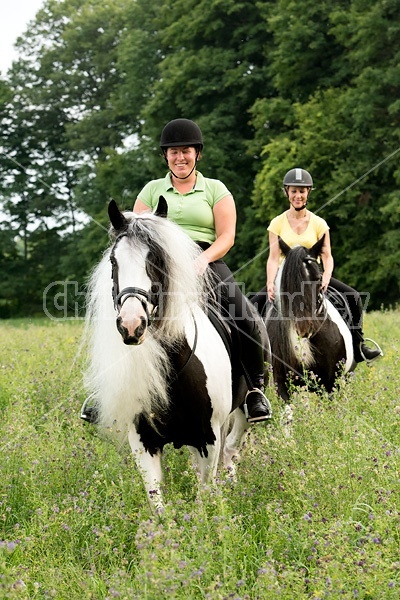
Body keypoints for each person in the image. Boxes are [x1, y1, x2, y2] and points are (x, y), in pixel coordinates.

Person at [132, 118, 272, 423]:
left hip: (205, 262)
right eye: (173, 152)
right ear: (165, 156)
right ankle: (111, 391)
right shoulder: (151, 190)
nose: (180, 157)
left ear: (198, 154)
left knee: (245, 316)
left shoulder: (215, 189)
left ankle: (255, 391)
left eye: (187, 151)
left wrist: (201, 260)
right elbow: (137, 235)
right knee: (125, 312)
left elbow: (226, 237)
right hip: (160, 266)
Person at [251, 167, 383, 365]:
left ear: (308, 193)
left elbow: (327, 256)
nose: (298, 195)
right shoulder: (277, 224)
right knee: (251, 305)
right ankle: (253, 356)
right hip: (285, 280)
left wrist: (327, 275)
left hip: (313, 278)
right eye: (294, 191)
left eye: (302, 191)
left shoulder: (319, 224)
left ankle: (358, 346)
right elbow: (272, 258)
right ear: (286, 192)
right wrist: (270, 282)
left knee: (354, 298)